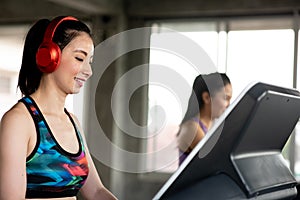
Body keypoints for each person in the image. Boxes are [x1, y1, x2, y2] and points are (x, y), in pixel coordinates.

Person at [0, 16, 117, 200]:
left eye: (90, 61)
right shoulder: (19, 121)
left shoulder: (73, 122)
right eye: (80, 58)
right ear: (50, 57)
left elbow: (96, 192)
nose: (88, 71)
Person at [177, 72, 232, 165]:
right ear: (206, 97)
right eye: (226, 98)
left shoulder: (211, 126)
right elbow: (216, 161)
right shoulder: (192, 128)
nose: (228, 105)